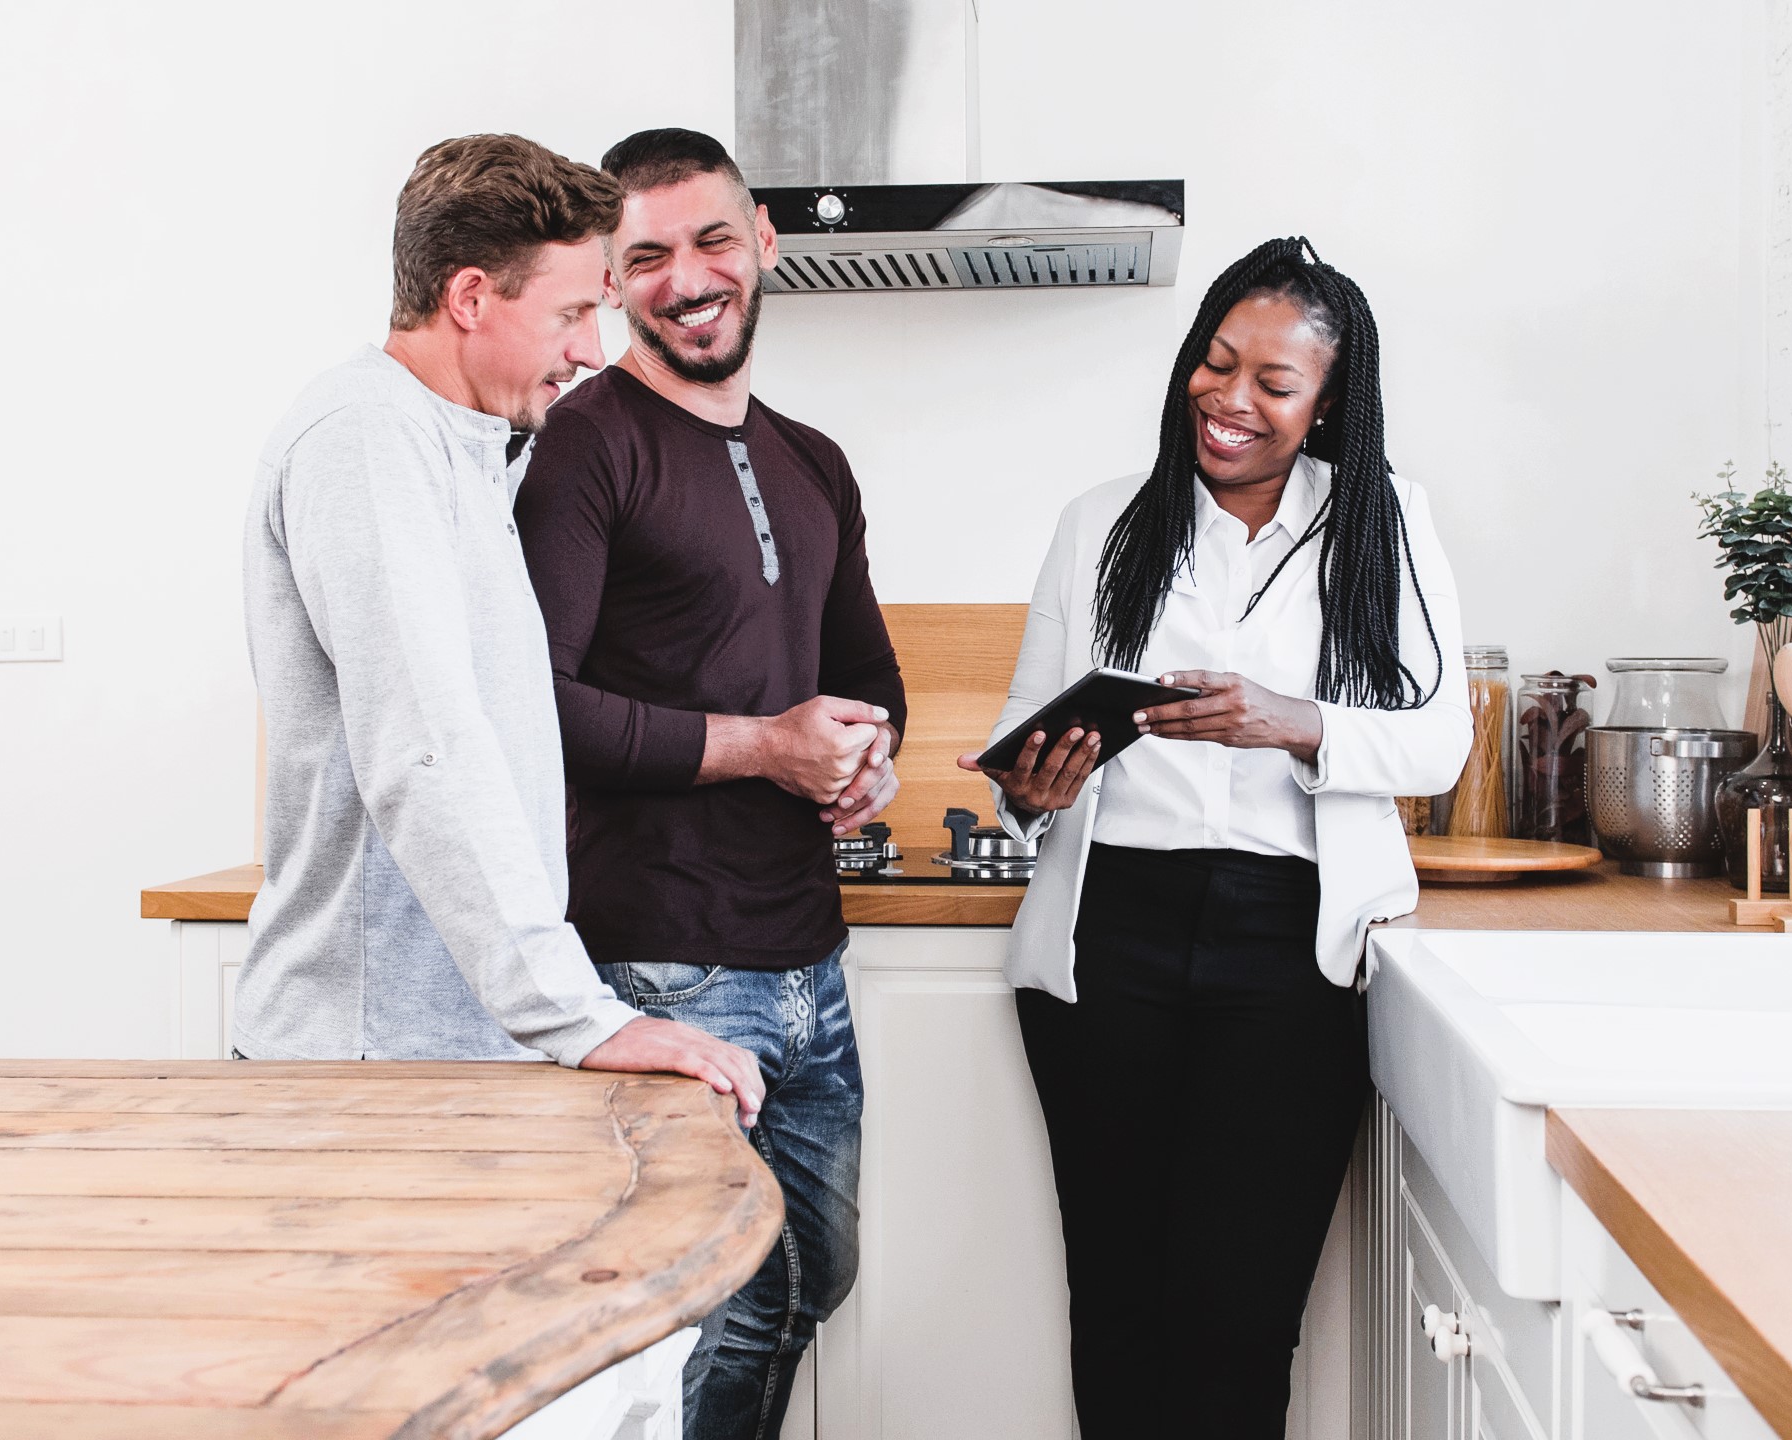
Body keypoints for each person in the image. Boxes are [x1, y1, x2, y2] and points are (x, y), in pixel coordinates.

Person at [959, 237, 1470, 1436]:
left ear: (1330, 404)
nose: (1230, 400)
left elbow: (1437, 745)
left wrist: (1291, 725)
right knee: (1118, 1302)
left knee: (1238, 1316)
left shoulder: (1380, 520)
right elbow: (1014, 751)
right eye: (1214, 362)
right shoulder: (1102, 522)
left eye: (1273, 384)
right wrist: (1030, 787)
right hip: (1107, 946)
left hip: (1286, 953)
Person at [234, 133, 761, 1129]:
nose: (589, 351)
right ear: (471, 298)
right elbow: (422, 743)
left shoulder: (464, 448)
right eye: (570, 313)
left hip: (443, 1045)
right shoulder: (365, 439)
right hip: (371, 1058)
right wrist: (573, 1015)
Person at [513, 127, 904, 1440]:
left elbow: (866, 675)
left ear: (764, 242)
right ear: (613, 281)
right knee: (701, 1305)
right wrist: (764, 745)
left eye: (713, 239)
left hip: (806, 961)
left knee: (812, 1273)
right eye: (649, 255)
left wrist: (868, 752)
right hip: (658, 966)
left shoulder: (816, 460)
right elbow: (537, 712)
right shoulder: (583, 446)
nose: (689, 276)